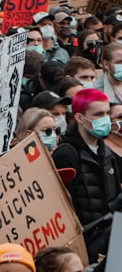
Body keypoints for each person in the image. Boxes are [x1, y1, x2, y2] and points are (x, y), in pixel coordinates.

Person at [52, 88, 122, 259]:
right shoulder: (66, 154)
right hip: (86, 242)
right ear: (79, 118)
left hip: (111, 236)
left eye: (106, 113)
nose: (104, 119)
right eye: (98, 114)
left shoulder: (108, 151)